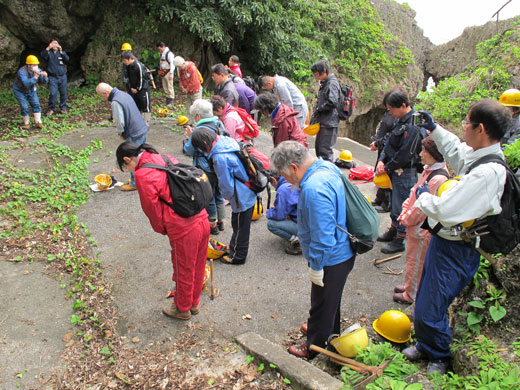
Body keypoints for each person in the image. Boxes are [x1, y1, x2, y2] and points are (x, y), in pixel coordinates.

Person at [403, 100, 511, 375]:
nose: (463, 127)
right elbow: (457, 154)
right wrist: (433, 128)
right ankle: (427, 345)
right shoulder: (482, 155)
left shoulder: (488, 173)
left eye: (466, 122)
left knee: (431, 305)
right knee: (426, 296)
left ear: (481, 128)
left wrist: (424, 195)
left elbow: (448, 210)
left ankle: (439, 353)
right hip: (445, 242)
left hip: (458, 250)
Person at [271, 141, 355, 358]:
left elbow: (322, 236)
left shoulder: (314, 188)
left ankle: (315, 348)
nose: (287, 181)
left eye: (285, 175)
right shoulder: (325, 167)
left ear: (293, 167)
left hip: (331, 257)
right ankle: (328, 331)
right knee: (330, 300)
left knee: (321, 302)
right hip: (342, 249)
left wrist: (317, 266)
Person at [115, 142, 210, 320]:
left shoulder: (143, 174)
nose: (129, 170)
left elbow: (152, 209)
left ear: (128, 159)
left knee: (184, 268)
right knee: (198, 264)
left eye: (126, 166)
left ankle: (182, 309)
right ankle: (193, 304)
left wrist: (165, 229)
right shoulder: (165, 157)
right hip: (201, 216)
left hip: (184, 227)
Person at [393, 137, 448, 304]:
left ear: (435, 154)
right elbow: (414, 194)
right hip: (413, 224)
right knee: (411, 259)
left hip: (420, 228)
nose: (421, 154)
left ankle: (411, 294)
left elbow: (422, 208)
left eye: (424, 151)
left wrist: (407, 218)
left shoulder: (438, 178)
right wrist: (405, 211)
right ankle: (409, 286)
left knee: (416, 262)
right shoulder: (429, 170)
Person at [191, 128, 257, 265]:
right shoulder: (225, 141)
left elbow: (226, 184)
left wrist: (228, 198)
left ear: (205, 143)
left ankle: (238, 257)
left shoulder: (219, 157)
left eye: (202, 149)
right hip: (249, 187)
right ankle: (235, 250)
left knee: (240, 226)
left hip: (241, 195)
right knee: (241, 224)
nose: (203, 152)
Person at [375, 87, 422, 254]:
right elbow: (389, 141)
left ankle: (400, 239)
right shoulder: (399, 121)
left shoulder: (414, 125)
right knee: (395, 204)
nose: (390, 112)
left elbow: (405, 154)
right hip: (393, 169)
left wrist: (386, 167)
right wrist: (381, 160)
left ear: (403, 105)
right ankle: (393, 230)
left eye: (391, 109)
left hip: (405, 172)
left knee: (402, 206)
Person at [183, 99, 226, 234]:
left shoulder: (198, 131)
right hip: (219, 166)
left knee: (209, 196)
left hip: (205, 168)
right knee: (218, 194)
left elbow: (189, 150)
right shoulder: (219, 124)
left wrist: (190, 136)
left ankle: (212, 225)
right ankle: (221, 221)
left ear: (198, 116)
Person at [96, 82, 149, 191]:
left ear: (106, 93)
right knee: (142, 156)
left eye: (102, 96)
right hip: (141, 128)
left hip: (133, 133)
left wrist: (120, 132)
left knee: (131, 158)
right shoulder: (124, 94)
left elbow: (120, 122)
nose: (104, 99)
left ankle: (135, 183)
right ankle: (143, 178)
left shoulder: (115, 102)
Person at [309, 61, 341, 162]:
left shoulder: (332, 84)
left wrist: (320, 108)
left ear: (324, 71)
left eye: (317, 73)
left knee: (325, 152)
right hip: (325, 122)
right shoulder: (326, 83)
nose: (316, 76)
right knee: (319, 149)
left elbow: (333, 102)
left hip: (329, 123)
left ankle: (326, 173)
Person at [266, 176, 301, 255]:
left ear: (274, 179)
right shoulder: (293, 179)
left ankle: (300, 243)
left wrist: (269, 212)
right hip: (313, 223)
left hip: (307, 228)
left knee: (271, 224)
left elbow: (279, 215)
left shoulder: (283, 189)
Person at [12, 55, 48, 130]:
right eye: (34, 65)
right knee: (24, 106)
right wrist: (35, 77)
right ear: (29, 65)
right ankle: (26, 123)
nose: (36, 66)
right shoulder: (21, 71)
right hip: (20, 90)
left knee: (36, 103)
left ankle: (38, 121)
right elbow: (26, 83)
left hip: (31, 90)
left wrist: (44, 77)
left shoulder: (38, 70)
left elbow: (44, 81)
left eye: (36, 64)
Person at [369, 110, 394, 213]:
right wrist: (376, 141)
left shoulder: (399, 118)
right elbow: (382, 129)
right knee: (379, 171)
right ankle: (379, 199)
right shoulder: (389, 112)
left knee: (386, 175)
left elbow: (390, 135)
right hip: (382, 146)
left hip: (389, 148)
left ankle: (386, 203)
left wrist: (378, 143)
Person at [121, 51, 151, 124]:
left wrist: (138, 89)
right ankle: (138, 122)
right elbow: (129, 79)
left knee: (145, 106)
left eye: (125, 61)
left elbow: (141, 79)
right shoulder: (128, 67)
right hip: (134, 89)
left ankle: (147, 122)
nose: (124, 62)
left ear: (130, 59)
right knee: (136, 105)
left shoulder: (138, 66)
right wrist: (131, 88)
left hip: (143, 88)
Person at [40, 39, 69, 115]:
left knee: (63, 93)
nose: (55, 45)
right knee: (53, 93)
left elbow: (67, 59)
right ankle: (51, 108)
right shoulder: (49, 53)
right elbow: (43, 55)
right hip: (53, 77)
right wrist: (48, 47)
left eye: (56, 43)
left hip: (62, 76)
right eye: (53, 44)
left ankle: (63, 108)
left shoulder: (61, 53)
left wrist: (61, 51)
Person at [156, 41, 175, 106]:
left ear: (163, 47)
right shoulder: (162, 54)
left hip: (168, 72)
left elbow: (172, 64)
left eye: (160, 48)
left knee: (170, 86)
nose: (159, 50)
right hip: (163, 73)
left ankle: (171, 100)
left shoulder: (169, 54)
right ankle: (167, 100)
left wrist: (171, 73)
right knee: (165, 87)